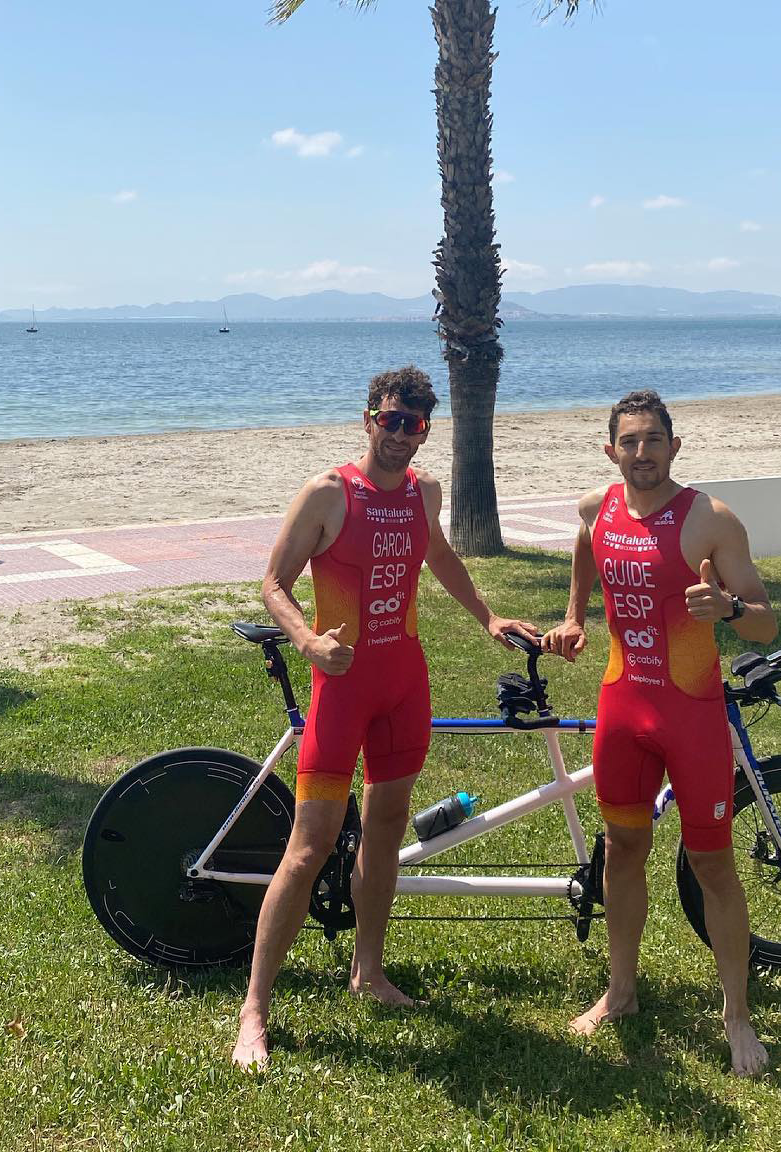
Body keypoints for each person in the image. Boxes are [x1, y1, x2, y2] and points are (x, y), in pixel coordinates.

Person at [232, 364, 537, 1070]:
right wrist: (307, 640)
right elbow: (273, 582)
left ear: (426, 429)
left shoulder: (424, 492)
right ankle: (254, 1010)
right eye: (392, 420)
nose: (401, 434)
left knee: (388, 827)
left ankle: (368, 972)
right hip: (341, 687)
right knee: (309, 847)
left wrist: (489, 616)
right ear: (369, 418)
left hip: (404, 683)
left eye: (415, 424)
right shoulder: (329, 493)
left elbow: (438, 556)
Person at [542, 388, 778, 1077]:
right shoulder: (598, 508)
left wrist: (729, 607)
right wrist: (575, 614)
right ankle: (621, 992)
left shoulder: (711, 520)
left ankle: (736, 1013)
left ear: (674, 447)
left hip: (691, 716)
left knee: (713, 864)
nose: (641, 452)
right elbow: (586, 547)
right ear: (610, 449)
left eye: (653, 440)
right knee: (622, 849)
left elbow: (767, 622)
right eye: (629, 441)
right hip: (623, 707)